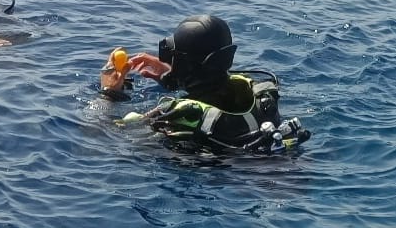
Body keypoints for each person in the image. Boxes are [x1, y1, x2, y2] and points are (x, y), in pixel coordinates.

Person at [100, 13, 306, 153]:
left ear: (184, 64)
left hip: (238, 179)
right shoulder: (254, 91)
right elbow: (209, 82)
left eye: (174, 58)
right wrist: (173, 76)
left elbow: (103, 136)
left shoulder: (176, 116)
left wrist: (108, 92)